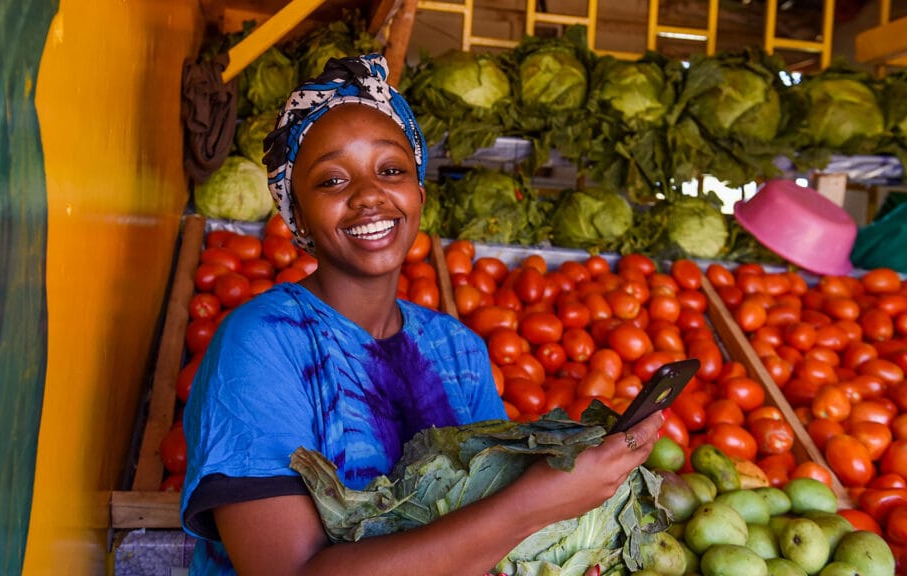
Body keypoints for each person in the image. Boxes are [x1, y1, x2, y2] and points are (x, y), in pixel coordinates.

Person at [179, 54, 664, 576]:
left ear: (419, 195)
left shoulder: (460, 351)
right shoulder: (262, 344)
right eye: (332, 181)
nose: (369, 196)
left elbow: (479, 535)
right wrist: (536, 505)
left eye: (391, 170)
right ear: (295, 216)